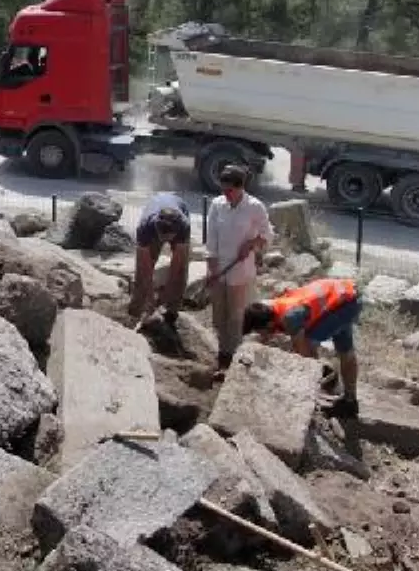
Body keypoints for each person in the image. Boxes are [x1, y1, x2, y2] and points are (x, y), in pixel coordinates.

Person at [242, 278, 364, 419]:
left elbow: (304, 355)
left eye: (259, 331)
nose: (261, 335)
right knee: (345, 350)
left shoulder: (290, 318)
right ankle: (350, 401)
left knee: (308, 348)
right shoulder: (270, 307)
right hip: (348, 295)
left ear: (268, 325)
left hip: (343, 302)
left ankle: (317, 395)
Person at [206, 165, 274, 376]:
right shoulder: (217, 205)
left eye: (230, 190)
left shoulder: (255, 207)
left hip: (241, 270)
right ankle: (222, 352)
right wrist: (212, 267)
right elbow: (211, 238)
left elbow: (268, 235)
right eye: (223, 190)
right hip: (219, 268)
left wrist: (251, 244)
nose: (225, 194)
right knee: (219, 316)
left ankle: (232, 360)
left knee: (236, 316)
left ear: (240, 187)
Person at [129, 192, 192, 326]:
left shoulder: (183, 226)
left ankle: (171, 312)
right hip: (153, 223)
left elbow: (177, 264)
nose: (165, 241)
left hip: (178, 210)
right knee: (141, 273)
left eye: (169, 238)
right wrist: (150, 295)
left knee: (181, 272)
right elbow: (145, 266)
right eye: (162, 237)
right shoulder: (145, 227)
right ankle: (136, 311)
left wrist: (167, 292)